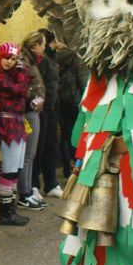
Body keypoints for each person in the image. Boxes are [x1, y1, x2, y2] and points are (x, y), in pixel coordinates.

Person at [0, 42, 30, 226]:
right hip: (6, 124)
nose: (9, 62)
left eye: (13, 59)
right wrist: (20, 67)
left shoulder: (9, 74)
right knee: (9, 169)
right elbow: (19, 89)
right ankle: (5, 214)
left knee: (16, 169)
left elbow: (24, 88)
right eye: (6, 58)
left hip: (18, 123)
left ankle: (10, 210)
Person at [16, 32, 47, 211]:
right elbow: (22, 85)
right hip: (28, 112)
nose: (44, 47)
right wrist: (32, 101)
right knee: (27, 155)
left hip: (32, 110)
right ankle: (25, 194)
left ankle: (27, 192)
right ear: (35, 45)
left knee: (30, 155)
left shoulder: (31, 60)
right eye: (42, 44)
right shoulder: (24, 61)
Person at [33, 29, 63, 198]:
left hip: (51, 109)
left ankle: (51, 183)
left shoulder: (52, 57)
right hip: (41, 110)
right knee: (39, 148)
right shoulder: (41, 60)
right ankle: (34, 185)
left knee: (51, 147)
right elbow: (38, 85)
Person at [55, 38, 89, 178]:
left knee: (66, 133)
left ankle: (67, 167)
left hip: (62, 99)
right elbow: (83, 78)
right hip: (75, 100)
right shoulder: (74, 55)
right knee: (77, 132)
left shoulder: (54, 57)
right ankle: (76, 163)